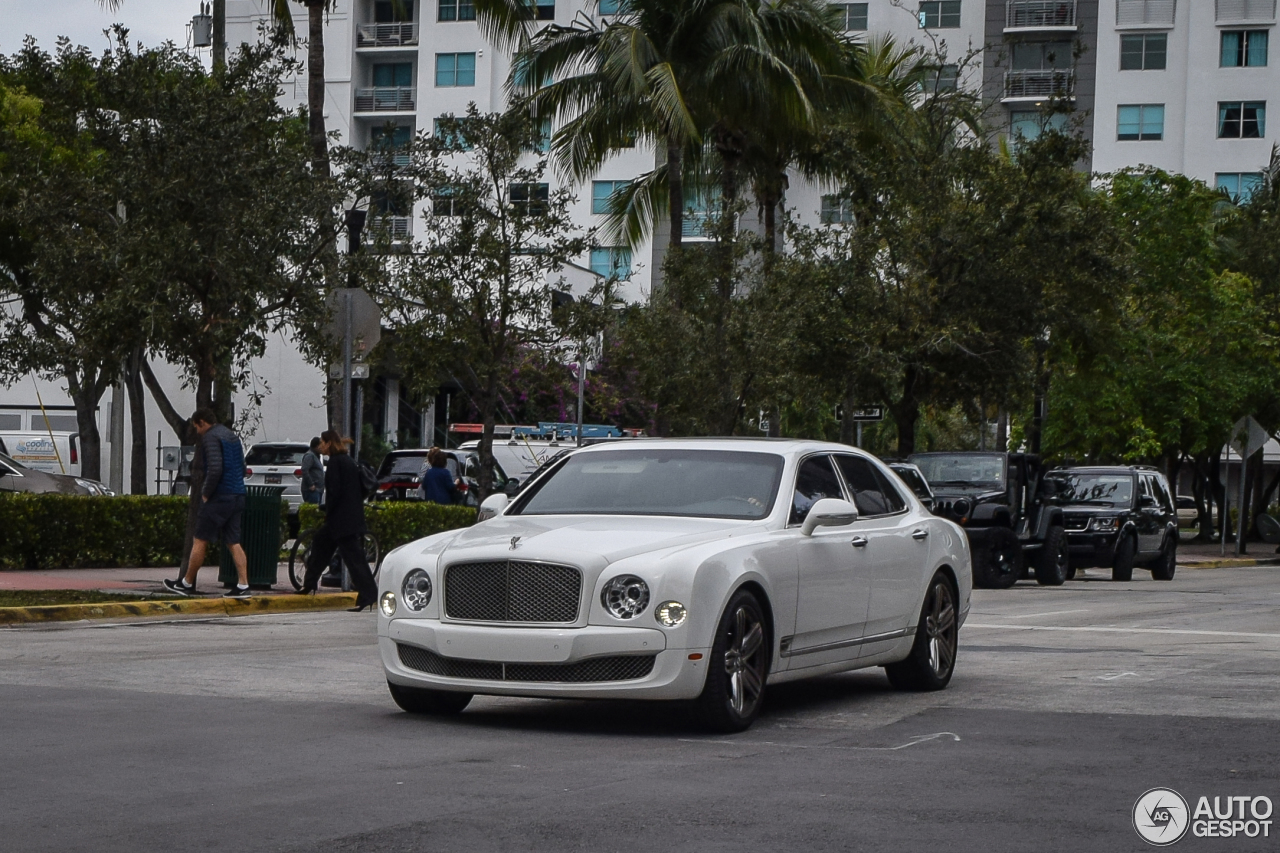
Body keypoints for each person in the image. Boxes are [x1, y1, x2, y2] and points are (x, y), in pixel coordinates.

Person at [164, 409, 251, 599]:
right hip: (238, 494)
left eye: (196, 426)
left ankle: (186, 583)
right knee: (233, 541)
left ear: (201, 422)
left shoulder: (210, 438)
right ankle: (243, 584)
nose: (197, 431)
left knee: (200, 538)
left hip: (219, 496)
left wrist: (206, 493)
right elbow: (242, 468)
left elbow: (215, 468)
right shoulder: (232, 437)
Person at [300, 429, 378, 612]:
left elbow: (334, 491)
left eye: (322, 442)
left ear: (328, 443)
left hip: (341, 520)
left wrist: (327, 510)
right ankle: (309, 584)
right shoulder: (348, 461)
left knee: (354, 559)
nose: (320, 446)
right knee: (322, 545)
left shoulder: (335, 463)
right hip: (348, 517)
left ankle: (369, 594)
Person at [301, 437, 325, 505]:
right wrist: (311, 484)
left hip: (318, 489)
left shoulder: (316, 456)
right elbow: (304, 470)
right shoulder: (310, 456)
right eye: (321, 445)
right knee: (313, 510)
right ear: (317, 446)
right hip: (312, 490)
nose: (323, 448)